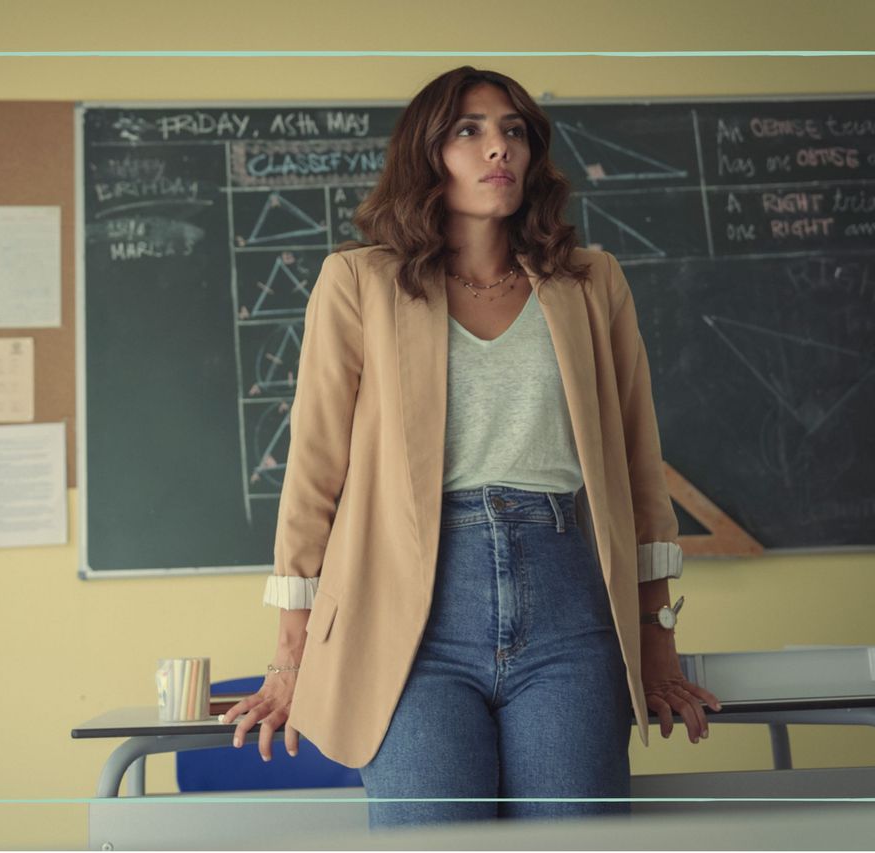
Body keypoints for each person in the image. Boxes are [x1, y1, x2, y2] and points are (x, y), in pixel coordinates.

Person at [222, 66, 721, 830]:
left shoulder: (591, 283)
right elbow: (314, 472)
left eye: (514, 131)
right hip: (405, 620)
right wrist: (291, 656)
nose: (499, 149)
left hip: (567, 608)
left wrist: (658, 642)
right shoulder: (360, 282)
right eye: (471, 131)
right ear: (429, 155)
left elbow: (636, 467)